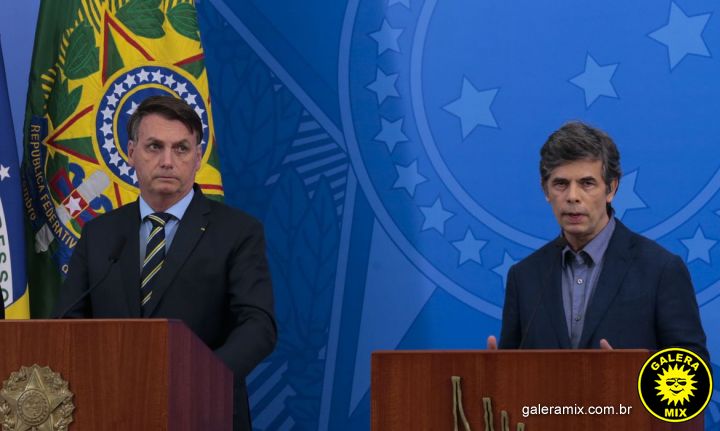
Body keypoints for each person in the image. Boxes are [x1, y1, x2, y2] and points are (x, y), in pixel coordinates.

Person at [54, 95, 277, 430]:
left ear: (198, 158)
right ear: (131, 153)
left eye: (181, 148)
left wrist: (200, 379)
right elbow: (67, 322)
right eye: (154, 147)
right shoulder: (100, 233)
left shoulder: (238, 232)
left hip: (202, 411)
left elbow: (258, 326)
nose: (167, 161)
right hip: (109, 410)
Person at [487, 121, 708, 362]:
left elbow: (694, 369)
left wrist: (627, 372)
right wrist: (496, 371)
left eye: (587, 183)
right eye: (561, 184)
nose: (573, 197)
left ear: (611, 189)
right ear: (545, 190)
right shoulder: (524, 276)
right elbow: (511, 370)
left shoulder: (661, 270)